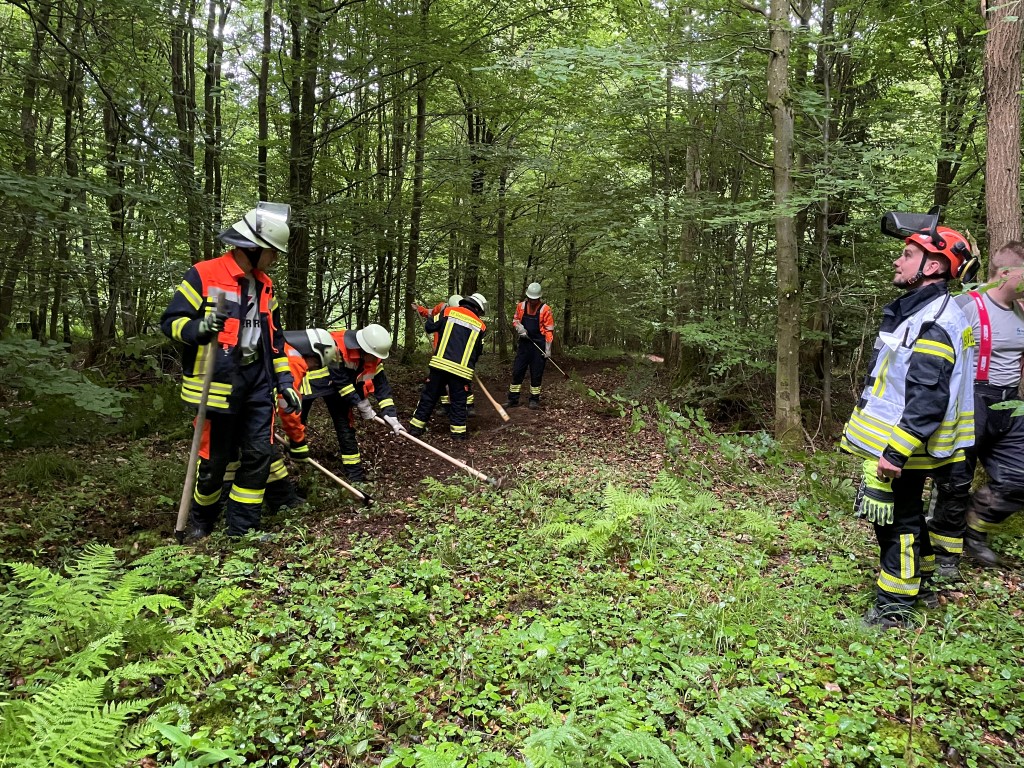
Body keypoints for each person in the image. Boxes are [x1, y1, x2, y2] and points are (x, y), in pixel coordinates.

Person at [840, 212, 976, 628]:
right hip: (912, 443)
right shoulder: (925, 311)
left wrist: (895, 452)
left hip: (907, 445)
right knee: (911, 516)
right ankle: (924, 585)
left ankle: (894, 608)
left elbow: (928, 399)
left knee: (896, 524)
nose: (898, 261)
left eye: (907, 255)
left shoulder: (933, 322)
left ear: (932, 267)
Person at [161, 202, 299, 538]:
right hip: (218, 385)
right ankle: (201, 521)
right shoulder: (203, 274)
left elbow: (275, 340)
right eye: (272, 252)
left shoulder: (265, 285)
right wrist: (198, 329)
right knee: (215, 461)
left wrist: (284, 380)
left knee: (259, 455)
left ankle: (243, 529)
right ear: (253, 248)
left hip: (258, 384)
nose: (275, 259)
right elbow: (171, 321)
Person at [929, 241, 1024, 574]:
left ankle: (975, 526)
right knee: (955, 480)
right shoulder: (966, 305)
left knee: (1019, 478)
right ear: (1007, 273)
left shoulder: (1021, 311)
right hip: (971, 400)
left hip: (1011, 404)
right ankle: (944, 555)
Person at [285, 323, 404, 483]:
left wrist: (390, 414)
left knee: (345, 428)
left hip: (335, 388)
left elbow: (382, 385)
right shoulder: (336, 345)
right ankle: (291, 457)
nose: (376, 359)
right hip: (309, 382)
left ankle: (355, 476)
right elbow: (341, 381)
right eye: (373, 355)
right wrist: (359, 403)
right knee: (298, 420)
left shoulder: (374, 357)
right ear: (364, 349)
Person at [408, 293, 487, 440]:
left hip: (440, 365)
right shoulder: (481, 326)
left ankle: (415, 429)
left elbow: (429, 326)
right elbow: (478, 352)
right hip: (461, 371)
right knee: (458, 402)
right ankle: (458, 435)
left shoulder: (447, 312)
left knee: (429, 396)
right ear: (478, 309)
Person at [413, 294, 476, 416]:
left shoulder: (463, 315)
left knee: (461, 380)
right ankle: (445, 406)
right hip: (440, 351)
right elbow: (430, 313)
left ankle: (469, 405)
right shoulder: (442, 309)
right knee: (440, 381)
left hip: (457, 353)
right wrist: (419, 309)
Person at [505, 282, 555, 409]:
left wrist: (548, 349)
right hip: (524, 344)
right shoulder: (521, 306)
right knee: (517, 371)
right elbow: (515, 320)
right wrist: (519, 328)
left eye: (535, 299)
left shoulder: (545, 309)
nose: (532, 301)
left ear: (539, 298)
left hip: (539, 345)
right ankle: (513, 399)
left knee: (536, 373)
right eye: (530, 299)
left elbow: (549, 330)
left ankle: (534, 400)